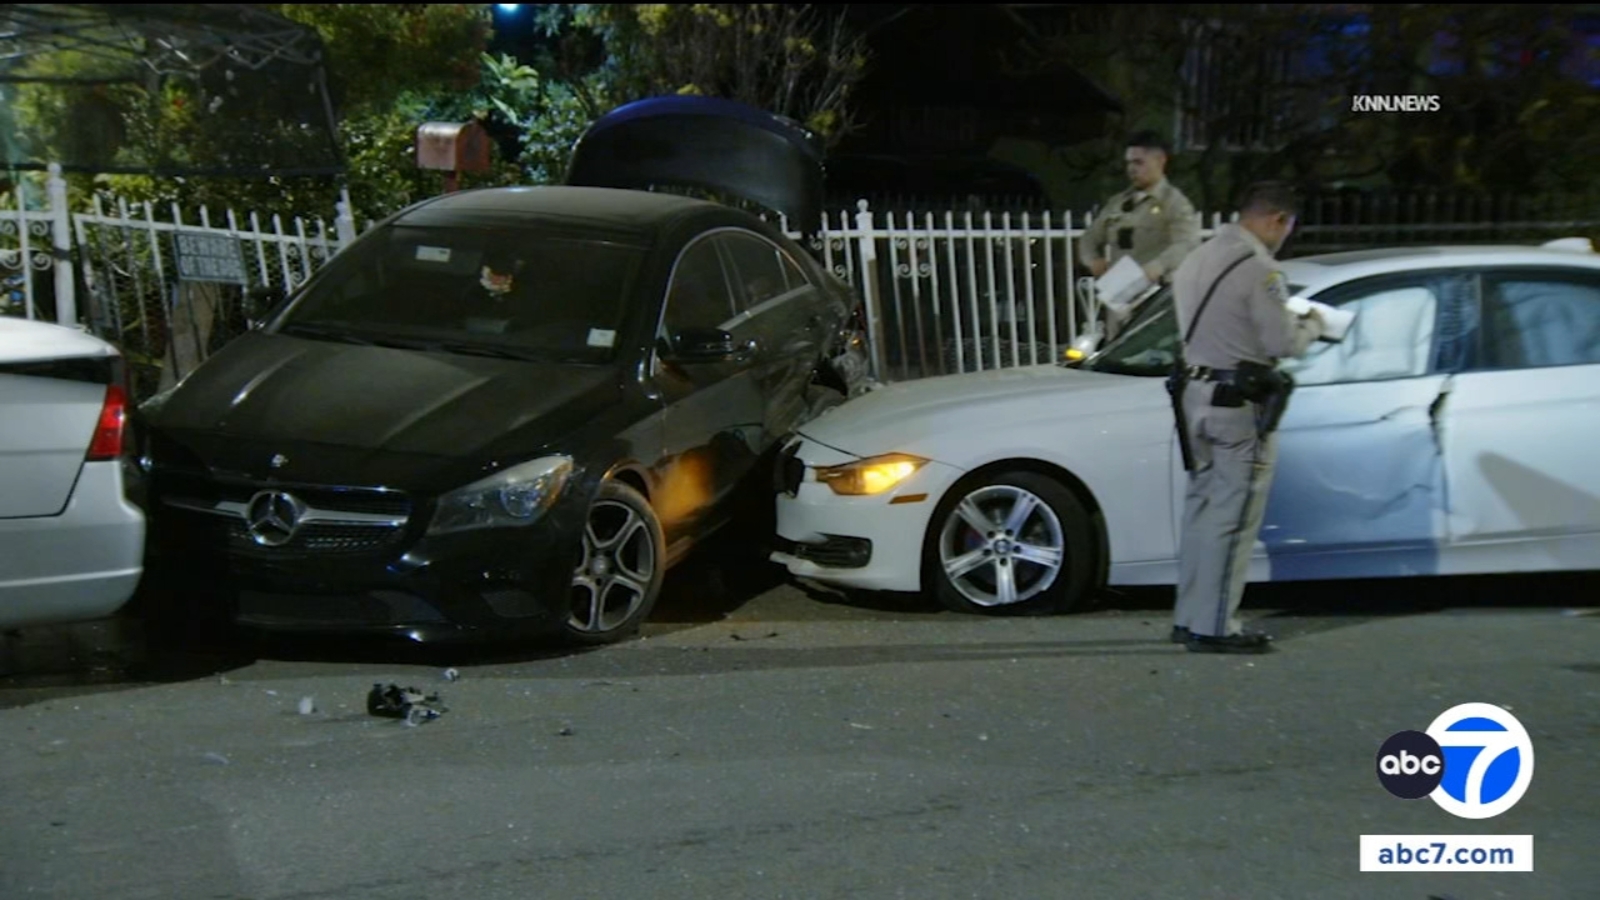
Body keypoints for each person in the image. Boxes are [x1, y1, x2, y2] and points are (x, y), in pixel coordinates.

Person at [1168, 182, 1324, 654]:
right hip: (1238, 405)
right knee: (1232, 518)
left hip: (1194, 393)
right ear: (1277, 219)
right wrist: (1314, 324)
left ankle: (1188, 616)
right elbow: (1281, 344)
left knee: (1200, 510)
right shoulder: (1261, 270)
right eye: (1287, 228)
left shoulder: (1196, 258)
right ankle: (1215, 626)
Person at [1078, 130, 1202, 340]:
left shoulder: (1174, 203)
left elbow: (1187, 244)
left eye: (1139, 162)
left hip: (1156, 299)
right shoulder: (1118, 202)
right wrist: (1092, 260)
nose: (1132, 169)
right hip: (1120, 296)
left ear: (1160, 160)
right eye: (1129, 163)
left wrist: (1156, 267)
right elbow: (1089, 238)